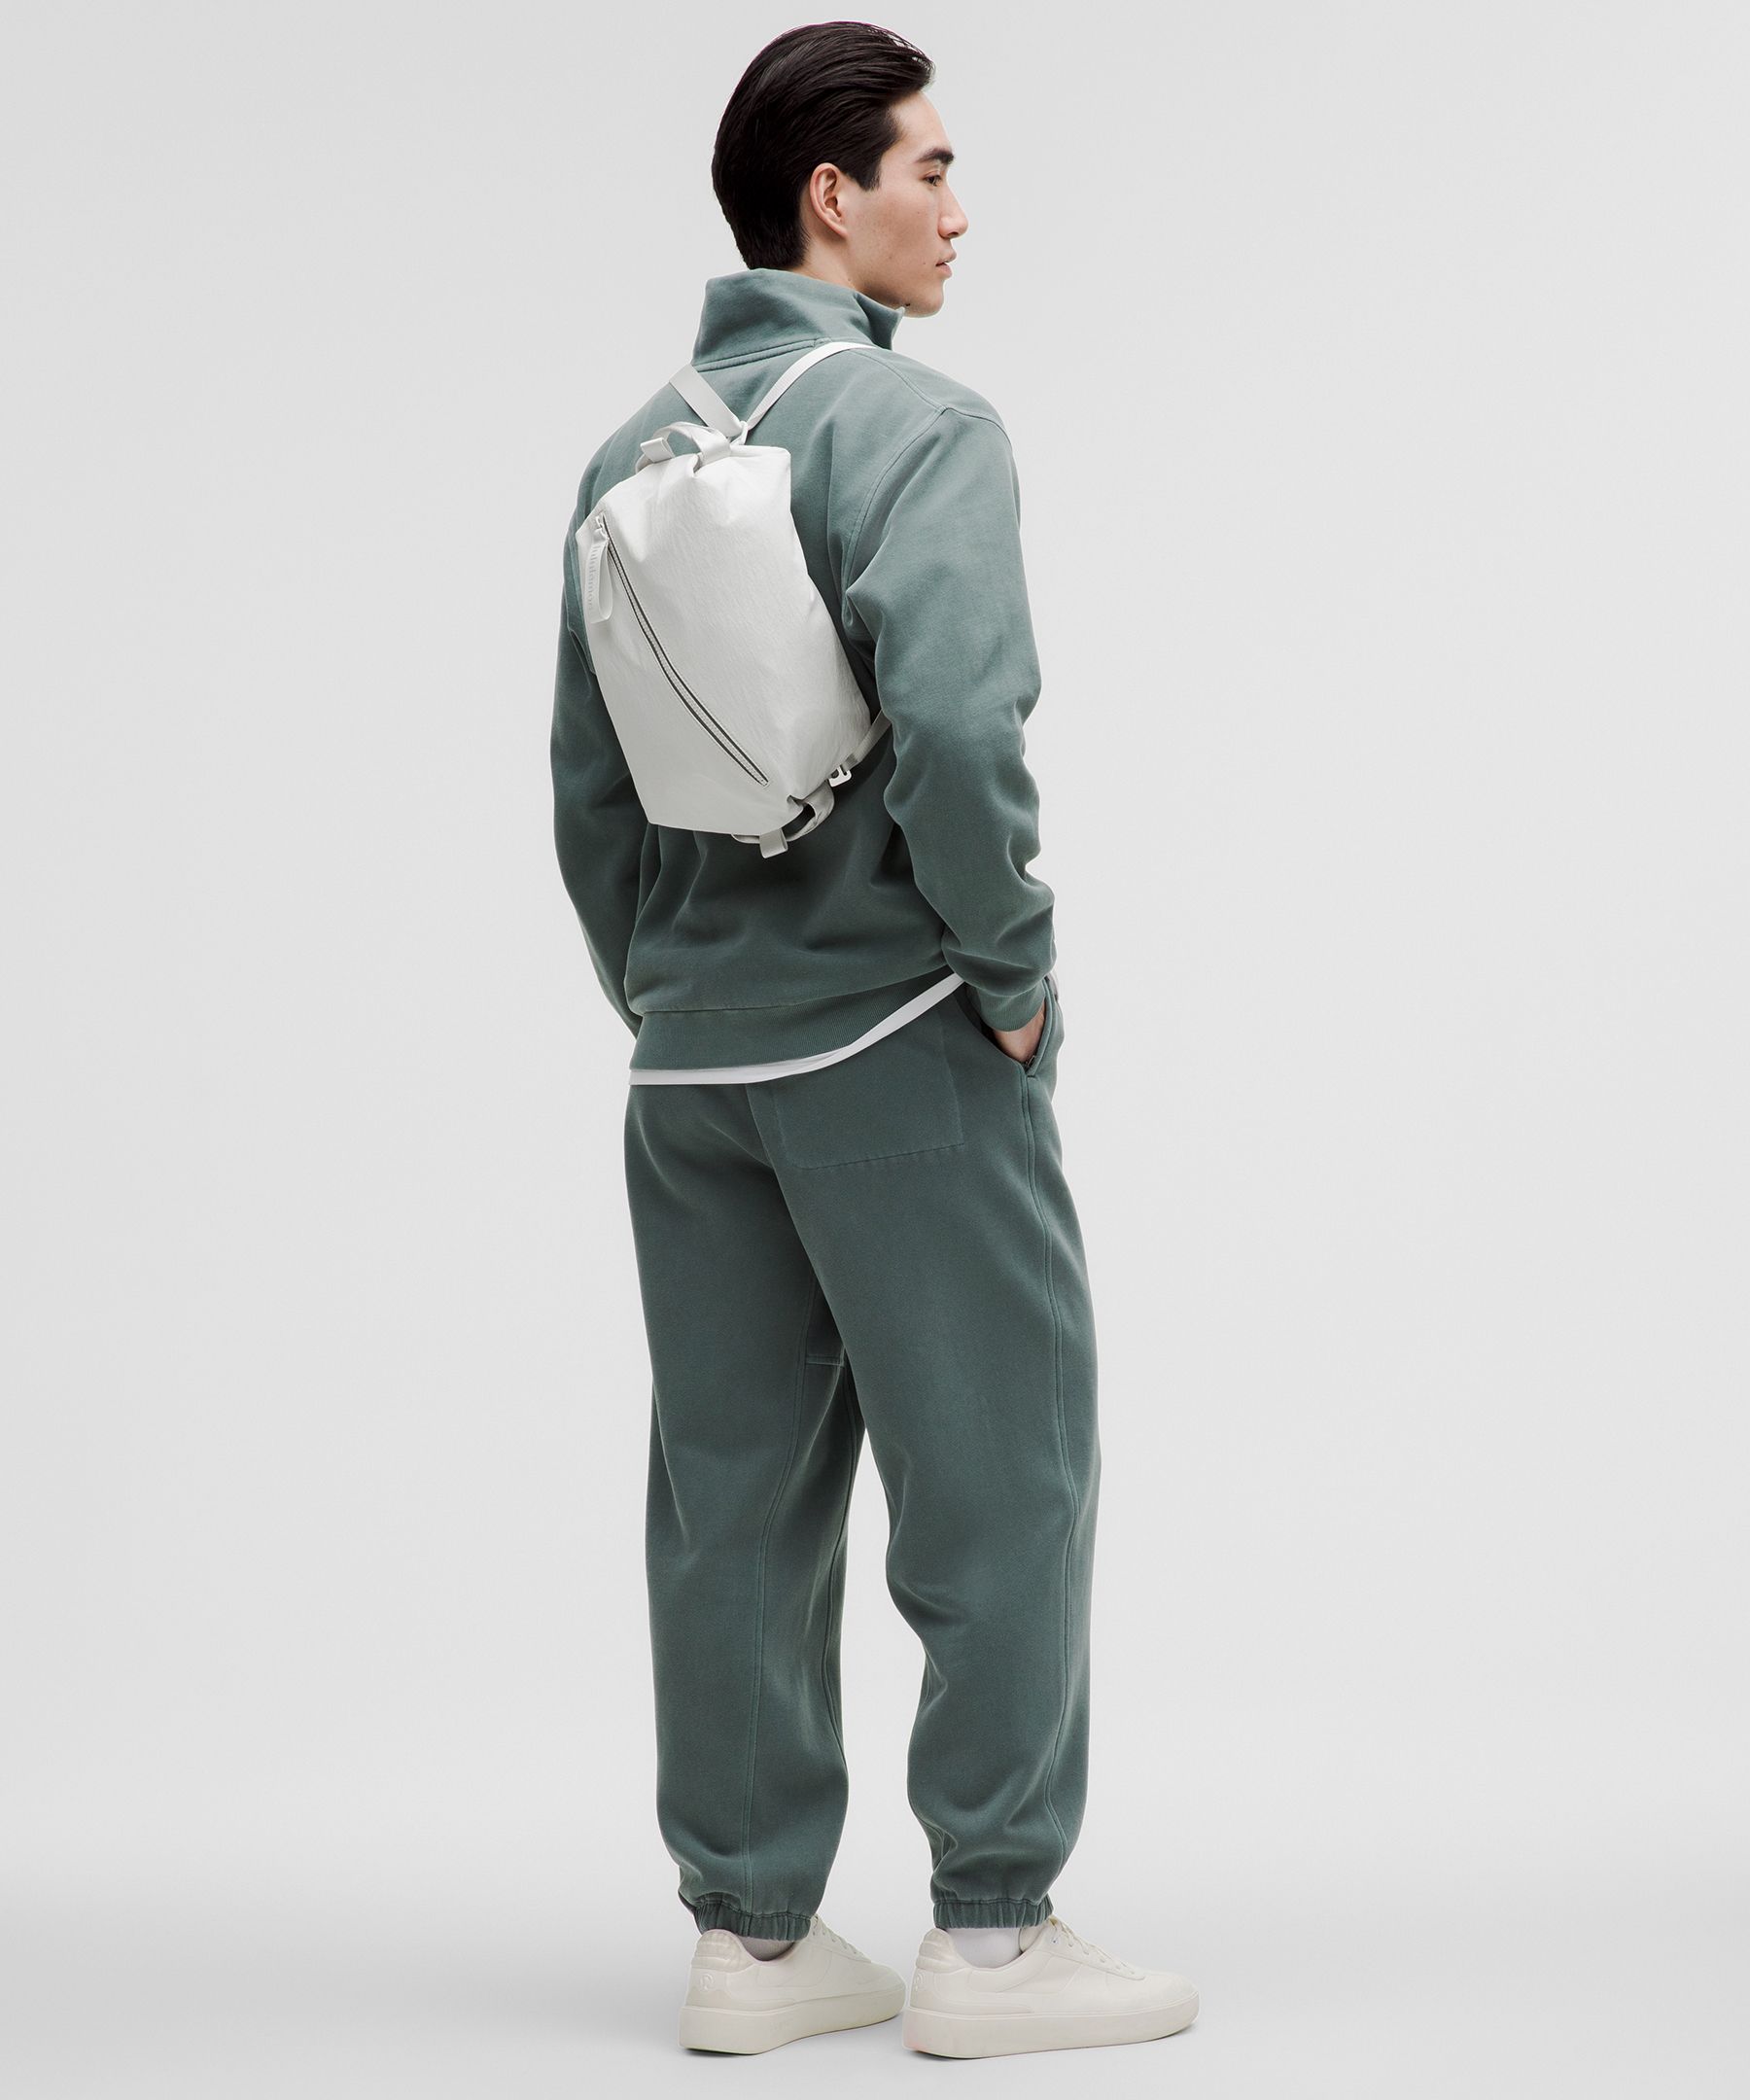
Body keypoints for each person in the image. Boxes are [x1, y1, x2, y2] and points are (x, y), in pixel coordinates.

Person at [550, 19, 1199, 2060]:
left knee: (730, 1498)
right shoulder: (920, 431)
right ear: (831, 196)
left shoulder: (625, 459)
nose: (959, 208)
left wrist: (673, 992)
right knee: (1001, 1470)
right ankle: (992, 1941)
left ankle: (749, 1943)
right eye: (930, 168)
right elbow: (961, 729)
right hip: (899, 1036)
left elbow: (587, 796)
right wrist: (1012, 972)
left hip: (692, 1071)